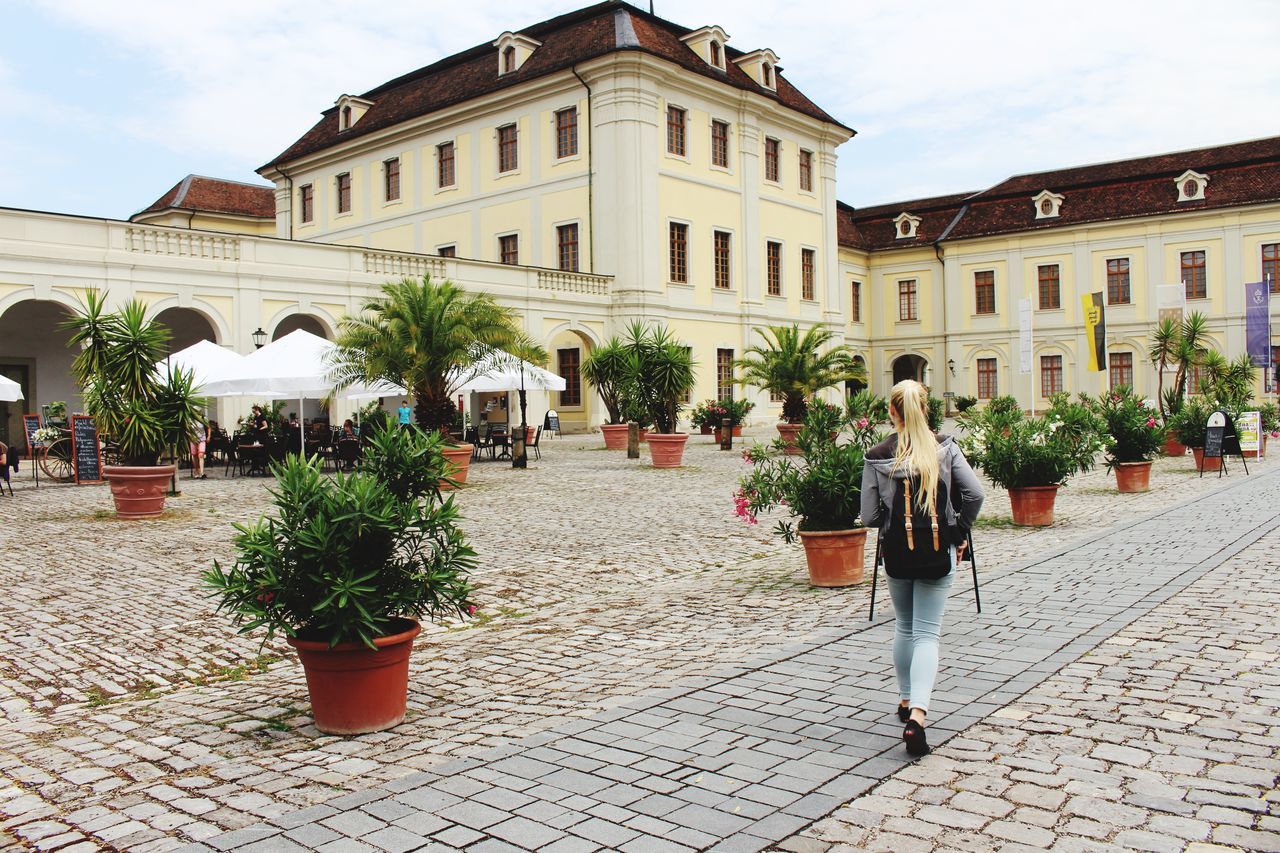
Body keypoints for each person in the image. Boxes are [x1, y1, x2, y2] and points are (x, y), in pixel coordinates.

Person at [861, 379, 984, 757]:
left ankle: (904, 698)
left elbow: (868, 515)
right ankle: (918, 715)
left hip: (897, 553)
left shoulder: (877, 455)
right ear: (925, 409)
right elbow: (975, 494)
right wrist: (958, 531)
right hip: (938, 551)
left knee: (904, 626)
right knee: (927, 634)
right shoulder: (944, 448)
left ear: (891, 412)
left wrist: (891, 521)